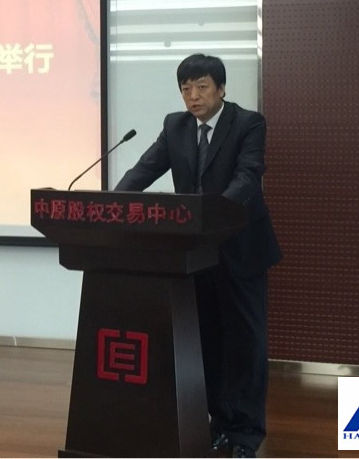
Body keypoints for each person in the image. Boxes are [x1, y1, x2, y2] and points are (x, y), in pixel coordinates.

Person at [114, 53, 281, 458]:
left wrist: (209, 218)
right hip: (197, 254)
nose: (193, 96)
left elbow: (248, 177)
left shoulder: (248, 123)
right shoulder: (176, 126)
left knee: (245, 343)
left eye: (202, 86)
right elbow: (144, 169)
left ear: (221, 88)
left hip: (240, 250)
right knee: (208, 340)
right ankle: (219, 422)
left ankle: (246, 434)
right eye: (186, 88)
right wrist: (113, 203)